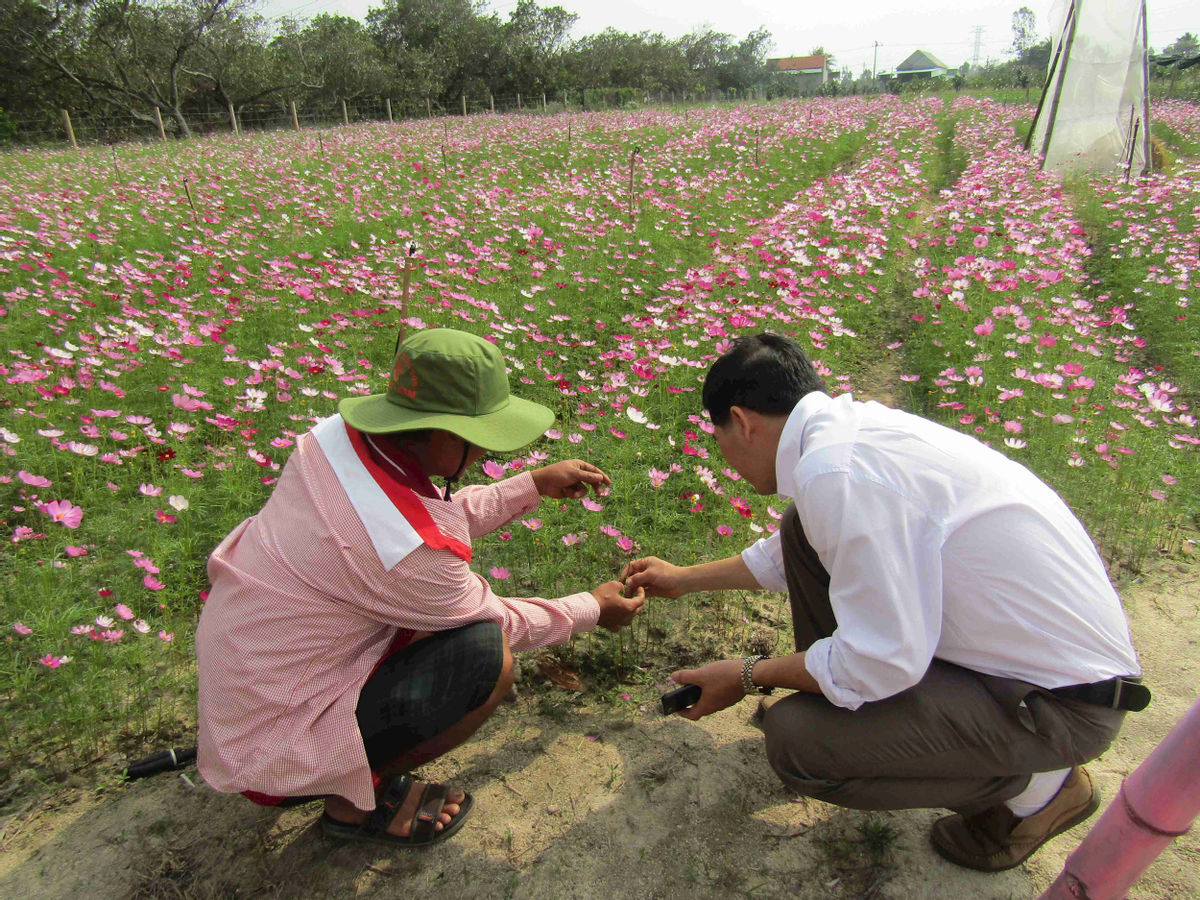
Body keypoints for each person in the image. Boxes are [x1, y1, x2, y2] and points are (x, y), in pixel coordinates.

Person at [622, 332, 1147, 872]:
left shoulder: (836, 470)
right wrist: (685, 578)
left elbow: (880, 660)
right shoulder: (844, 438)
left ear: (743, 420)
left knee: (797, 742)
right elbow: (797, 553)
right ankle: (884, 725)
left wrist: (750, 673)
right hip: (1025, 665)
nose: (725, 455)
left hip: (1061, 706)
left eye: (719, 438)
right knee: (802, 531)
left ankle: (1037, 790)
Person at [196, 328, 644, 848]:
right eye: (478, 438)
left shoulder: (334, 440)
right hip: (271, 744)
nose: (480, 452)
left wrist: (530, 484)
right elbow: (496, 618)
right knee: (485, 657)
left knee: (446, 634)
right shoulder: (406, 553)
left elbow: (417, 515)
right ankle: (360, 799)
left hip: (246, 687)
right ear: (441, 435)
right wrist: (592, 607)